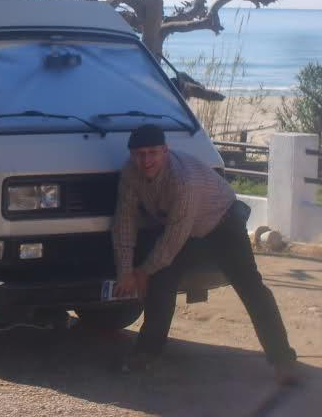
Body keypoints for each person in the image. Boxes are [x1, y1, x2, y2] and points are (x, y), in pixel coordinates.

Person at [112, 124, 298, 384]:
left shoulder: (183, 181)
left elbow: (173, 239)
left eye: (152, 153)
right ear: (132, 155)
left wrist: (142, 272)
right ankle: (146, 353)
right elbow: (124, 221)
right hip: (188, 230)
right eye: (139, 154)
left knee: (251, 288)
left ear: (165, 151)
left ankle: (283, 360)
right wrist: (125, 271)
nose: (146, 161)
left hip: (223, 223)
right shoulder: (130, 173)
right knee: (161, 281)